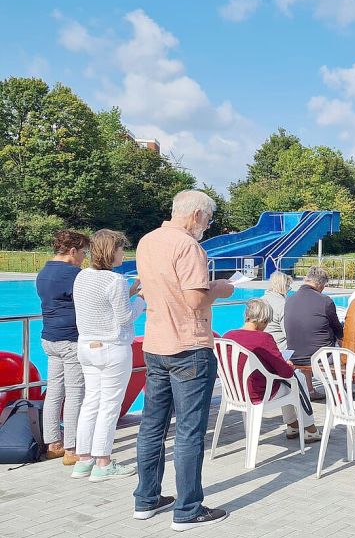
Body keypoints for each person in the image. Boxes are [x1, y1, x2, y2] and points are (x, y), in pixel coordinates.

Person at [134, 190, 233, 530]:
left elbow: (146, 289)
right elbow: (194, 300)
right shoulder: (189, 246)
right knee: (189, 432)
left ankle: (146, 499)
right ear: (195, 216)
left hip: (156, 342)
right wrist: (220, 288)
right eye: (208, 219)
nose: (207, 226)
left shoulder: (147, 242)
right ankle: (188, 509)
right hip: (189, 347)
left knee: (152, 425)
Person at [71, 229, 145, 481]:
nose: (124, 252)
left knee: (90, 403)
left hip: (87, 346)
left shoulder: (82, 277)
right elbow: (124, 317)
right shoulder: (114, 281)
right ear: (111, 252)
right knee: (109, 406)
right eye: (121, 248)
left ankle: (83, 461)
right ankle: (103, 462)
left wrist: (131, 292)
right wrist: (142, 299)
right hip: (112, 348)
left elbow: (100, 306)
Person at [223, 299, 320, 441]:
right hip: (258, 393)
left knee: (289, 382)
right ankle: (309, 428)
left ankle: (293, 425)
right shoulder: (263, 338)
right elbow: (285, 372)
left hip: (234, 393)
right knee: (296, 378)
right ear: (262, 320)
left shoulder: (228, 336)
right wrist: (288, 365)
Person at [36, 229, 90, 465]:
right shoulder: (74, 274)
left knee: (55, 392)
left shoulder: (43, 272)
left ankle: (53, 443)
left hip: (49, 338)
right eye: (84, 253)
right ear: (72, 251)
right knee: (75, 393)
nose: (84, 258)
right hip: (70, 339)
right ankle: (72, 447)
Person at [261, 271, 292, 350]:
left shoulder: (260, 300)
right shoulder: (283, 305)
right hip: (279, 349)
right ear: (283, 287)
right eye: (288, 287)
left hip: (261, 347)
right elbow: (289, 334)